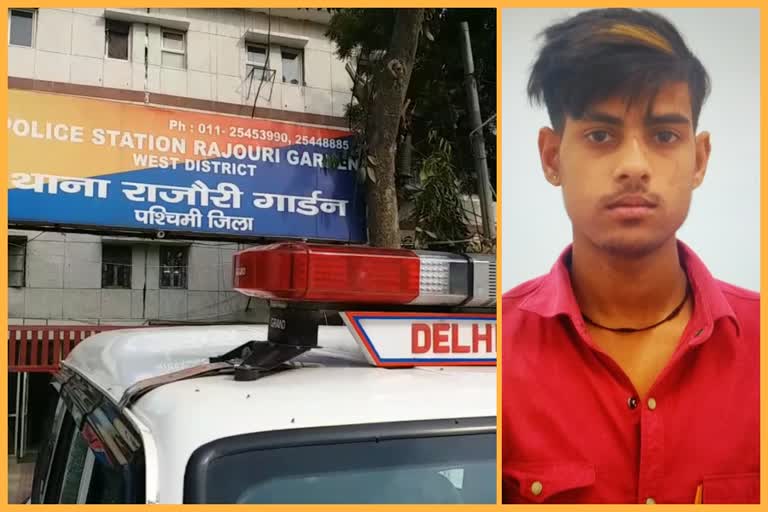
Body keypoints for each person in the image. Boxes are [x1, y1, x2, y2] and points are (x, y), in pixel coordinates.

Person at [501, 8, 759, 504]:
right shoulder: (496, 359)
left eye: (664, 136)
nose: (635, 166)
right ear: (552, 157)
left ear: (699, 159)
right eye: (601, 135)